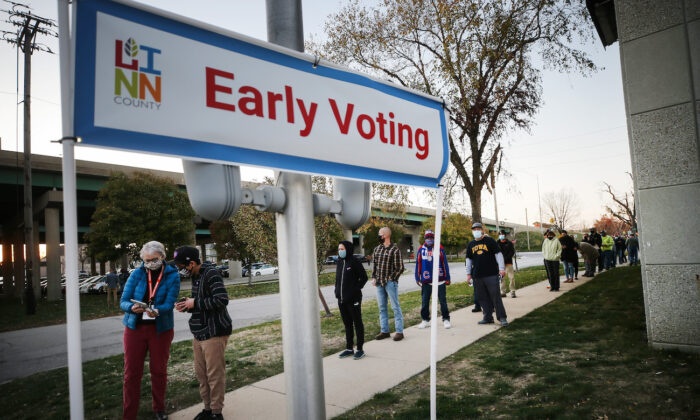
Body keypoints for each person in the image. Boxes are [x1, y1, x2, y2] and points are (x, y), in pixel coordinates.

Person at [120, 241, 180, 420]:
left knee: (159, 371)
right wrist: (132, 308)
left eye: (154, 259)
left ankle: (159, 409)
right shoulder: (137, 274)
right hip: (135, 329)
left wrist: (157, 311)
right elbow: (123, 301)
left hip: (160, 329)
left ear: (162, 257)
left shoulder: (172, 275)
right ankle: (129, 414)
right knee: (131, 374)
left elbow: (170, 303)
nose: (150, 263)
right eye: (146, 260)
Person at [174, 246, 232, 420]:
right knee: (202, 375)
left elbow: (222, 299)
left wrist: (195, 303)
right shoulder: (196, 275)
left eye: (181, 266)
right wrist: (186, 305)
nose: (180, 270)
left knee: (214, 376)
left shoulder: (211, 273)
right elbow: (199, 302)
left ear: (191, 263)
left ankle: (216, 412)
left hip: (214, 332)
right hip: (199, 332)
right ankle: (207, 409)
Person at [465, 222, 508, 326]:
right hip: (477, 276)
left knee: (495, 297)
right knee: (482, 298)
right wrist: (468, 274)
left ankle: (502, 317)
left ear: (482, 230)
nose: (476, 231)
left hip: (491, 274)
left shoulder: (490, 241)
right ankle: (487, 317)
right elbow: (468, 260)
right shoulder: (471, 244)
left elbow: (498, 254)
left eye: (478, 229)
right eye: (474, 230)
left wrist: (501, 269)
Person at [335, 240, 368, 360]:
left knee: (357, 323)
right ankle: (349, 348)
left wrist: (354, 290)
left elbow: (364, 278)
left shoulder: (354, 261)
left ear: (348, 249)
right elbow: (338, 279)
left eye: (342, 249)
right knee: (347, 324)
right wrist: (337, 292)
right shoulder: (339, 261)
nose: (340, 251)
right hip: (341, 299)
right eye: (339, 249)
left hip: (353, 299)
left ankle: (360, 349)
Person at [371, 227, 405, 341]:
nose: (378, 236)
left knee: (395, 307)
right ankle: (384, 331)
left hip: (390, 283)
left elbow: (400, 267)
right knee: (382, 307)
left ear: (385, 235)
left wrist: (391, 278)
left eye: (379, 234)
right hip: (379, 283)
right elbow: (374, 265)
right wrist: (374, 278)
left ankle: (399, 332)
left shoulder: (395, 250)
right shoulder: (377, 249)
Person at [415, 229, 451, 329]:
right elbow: (418, 264)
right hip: (426, 280)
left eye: (431, 238)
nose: (429, 239)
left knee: (442, 301)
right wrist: (417, 277)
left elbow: (444, 263)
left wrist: (447, 277)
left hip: (440, 279)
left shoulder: (439, 248)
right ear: (425, 238)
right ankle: (425, 320)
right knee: (425, 301)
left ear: (434, 238)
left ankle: (446, 319)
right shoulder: (421, 249)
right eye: (427, 238)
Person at [497, 230, 517, 298]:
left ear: (505, 235)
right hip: (500, 264)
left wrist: (505, 259)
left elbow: (512, 252)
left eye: (502, 234)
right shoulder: (497, 243)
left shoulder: (509, 243)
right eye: (500, 234)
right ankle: (503, 292)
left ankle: (512, 291)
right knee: (502, 278)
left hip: (508, 262)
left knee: (511, 277)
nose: (501, 235)